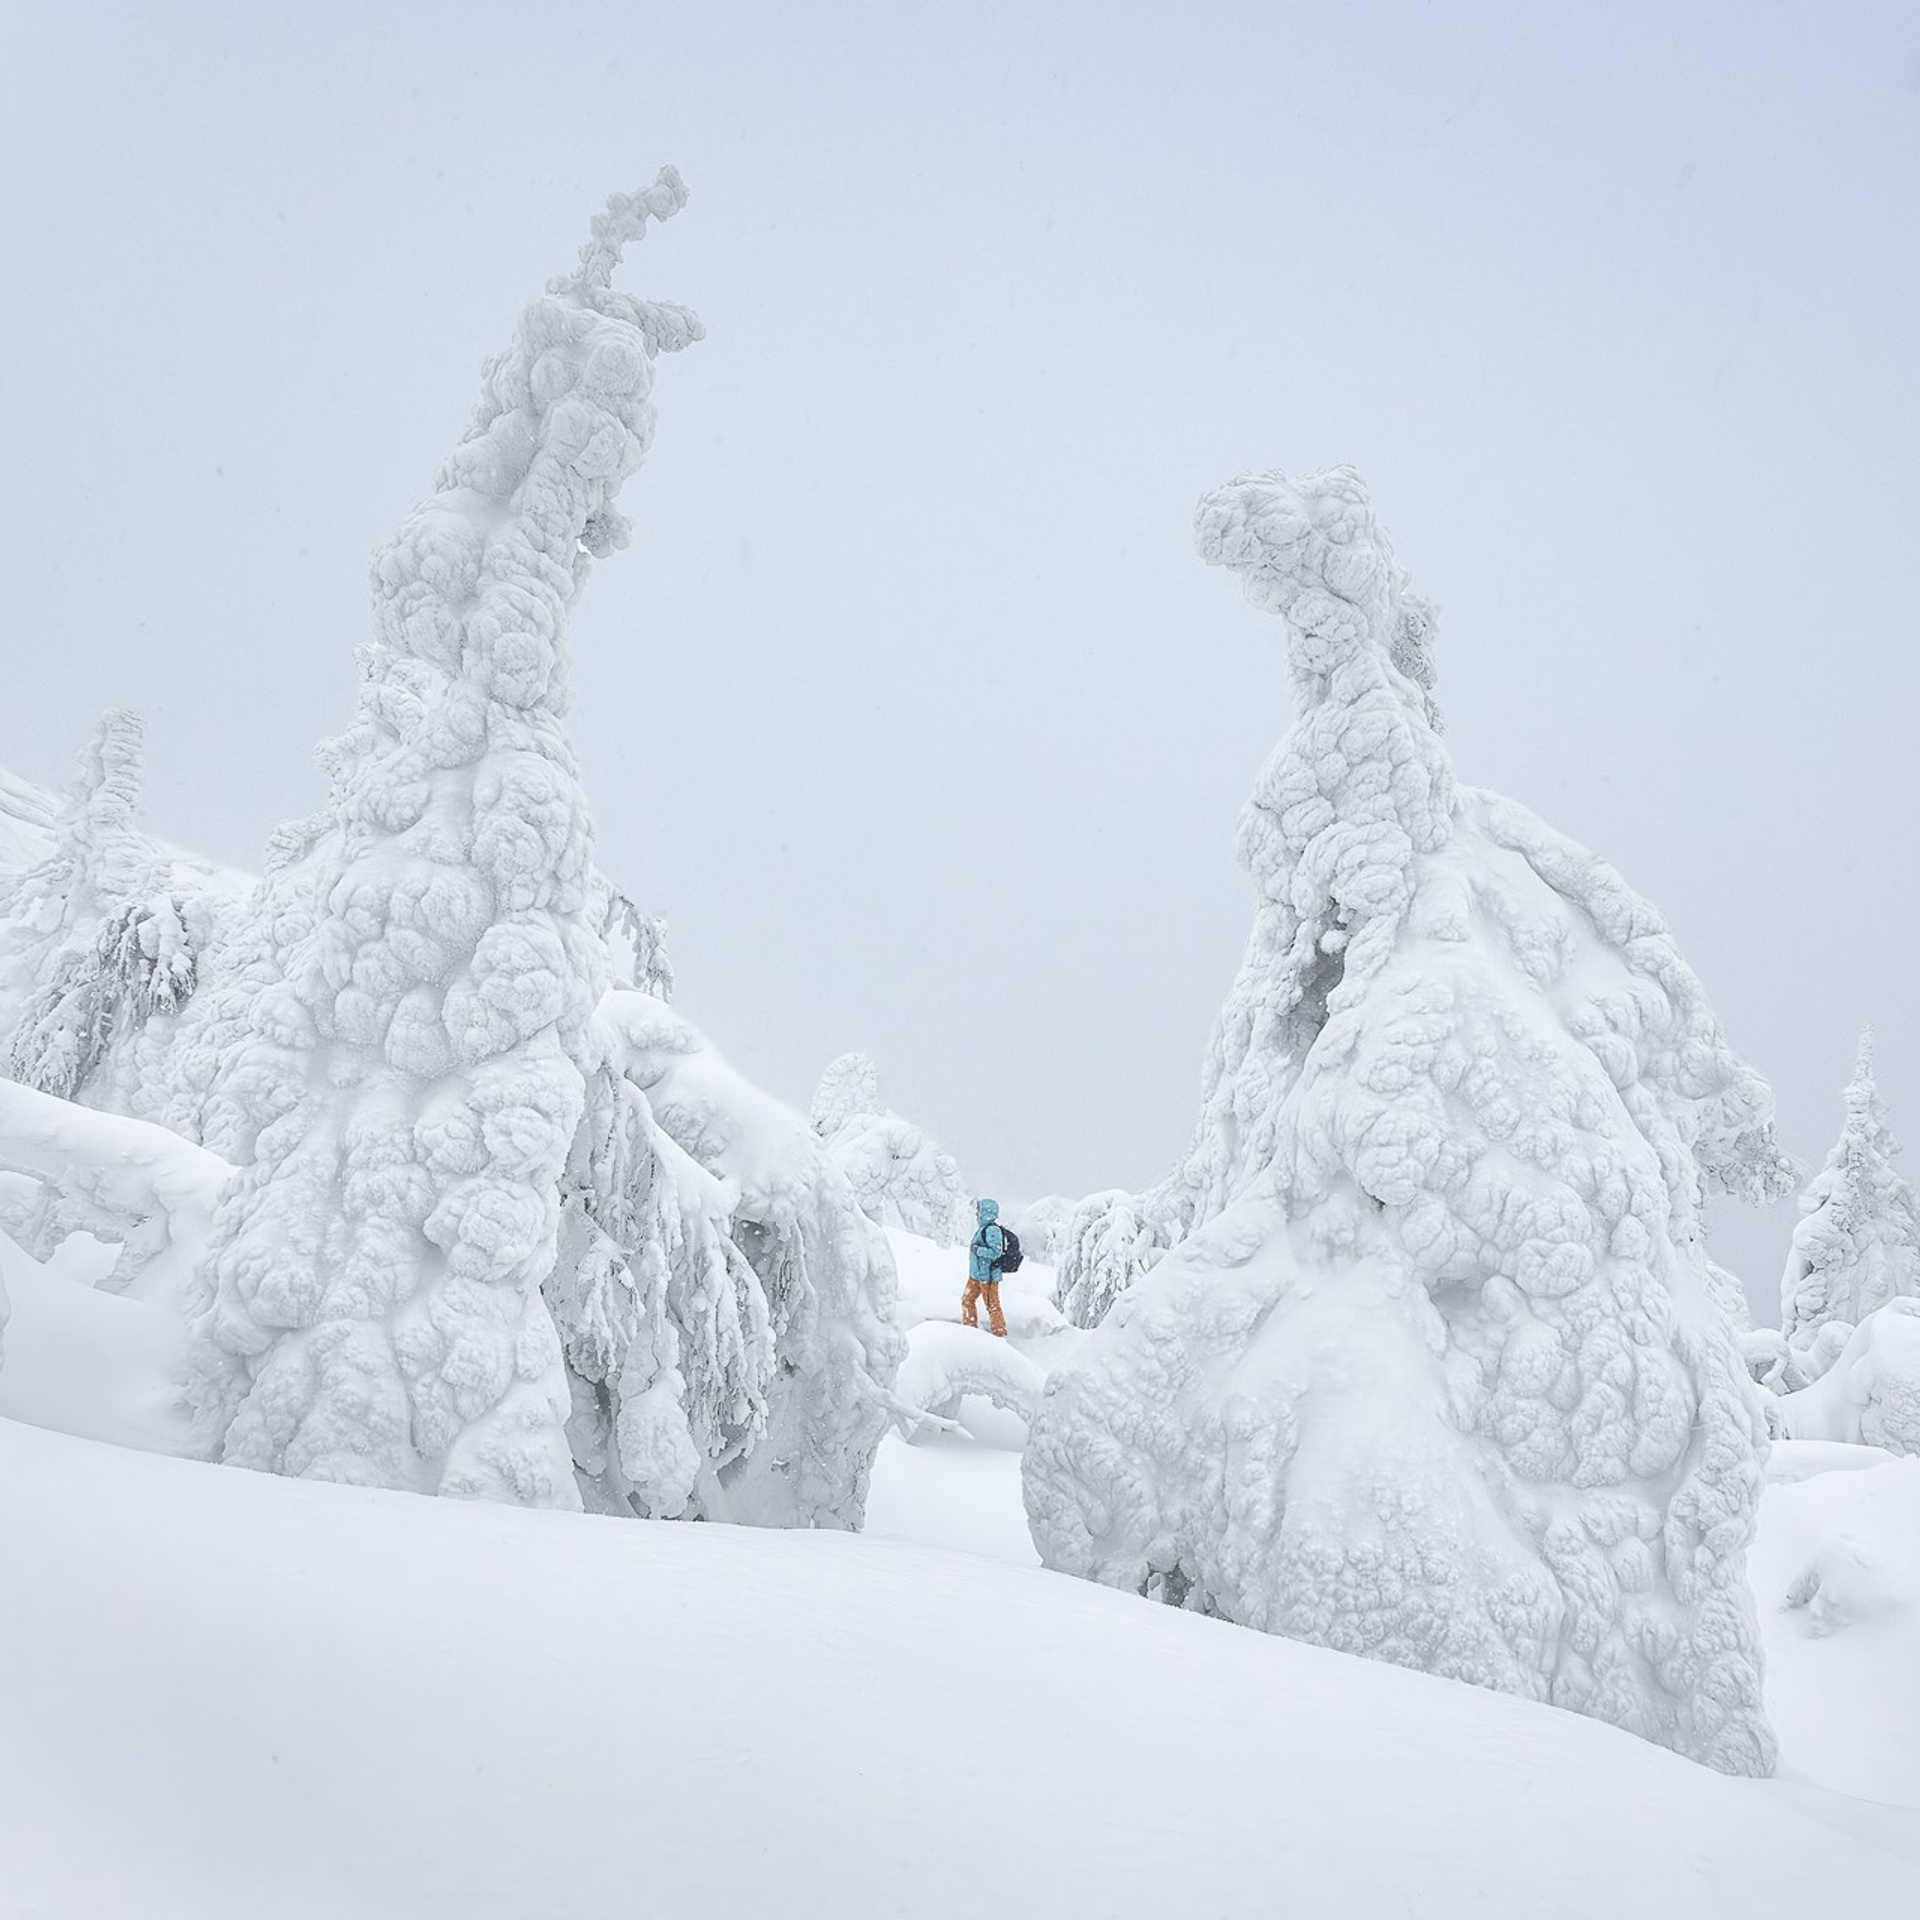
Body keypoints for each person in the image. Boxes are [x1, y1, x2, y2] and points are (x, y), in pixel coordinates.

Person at [962, 1197, 1008, 1337]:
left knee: (992, 1305)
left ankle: (999, 1333)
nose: (977, 1214)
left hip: (987, 1277)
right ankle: (969, 1329)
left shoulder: (992, 1230)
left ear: (986, 1212)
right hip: (977, 1275)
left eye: (979, 1211)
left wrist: (978, 1250)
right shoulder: (983, 1229)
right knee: (967, 1300)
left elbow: (996, 1252)